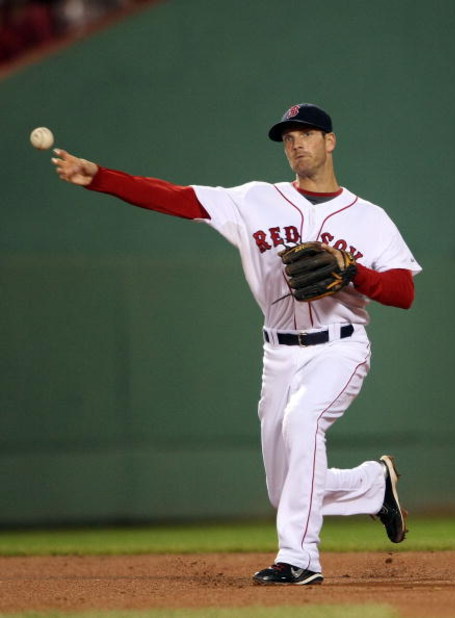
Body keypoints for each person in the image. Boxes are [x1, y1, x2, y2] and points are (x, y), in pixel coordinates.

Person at [52, 103, 422, 586]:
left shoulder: (369, 218)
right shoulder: (254, 200)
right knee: (283, 487)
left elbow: (404, 292)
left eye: (306, 134)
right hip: (279, 354)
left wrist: (354, 272)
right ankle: (373, 486)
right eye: (287, 138)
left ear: (330, 141)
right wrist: (101, 177)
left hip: (340, 347)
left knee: (304, 420)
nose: (296, 144)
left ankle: (300, 559)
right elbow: (177, 198)